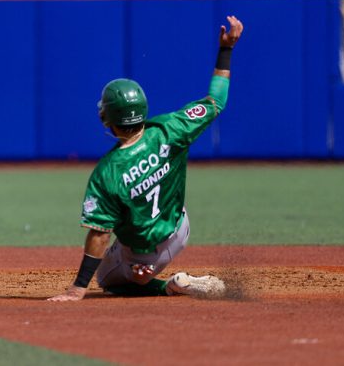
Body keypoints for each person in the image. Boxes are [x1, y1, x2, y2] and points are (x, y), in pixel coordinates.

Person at [49, 16, 244, 301]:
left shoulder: (108, 172)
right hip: (180, 227)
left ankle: (167, 283)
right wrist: (226, 50)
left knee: (106, 278)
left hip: (145, 251)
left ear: (109, 120)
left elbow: (100, 234)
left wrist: (78, 288)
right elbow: (216, 101)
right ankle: (147, 267)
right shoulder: (171, 128)